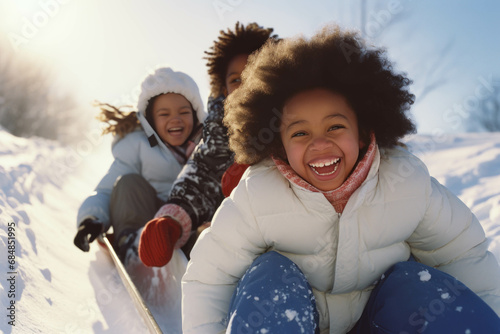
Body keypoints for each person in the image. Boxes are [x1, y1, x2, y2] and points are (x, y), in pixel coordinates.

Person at [181, 25, 500, 333]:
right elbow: (212, 276)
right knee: (269, 275)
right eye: (300, 132)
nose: (319, 144)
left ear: (361, 133)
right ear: (279, 144)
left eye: (335, 126)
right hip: (299, 318)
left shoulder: (405, 182)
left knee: (418, 283)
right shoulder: (259, 192)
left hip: (380, 317)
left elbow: (463, 256)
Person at [138, 22, 279, 267]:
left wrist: (255, 179)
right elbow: (199, 179)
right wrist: (171, 222)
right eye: (236, 79)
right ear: (223, 89)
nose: (245, 85)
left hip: (283, 239)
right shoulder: (218, 133)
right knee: (209, 239)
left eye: (255, 74)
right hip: (228, 238)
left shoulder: (292, 123)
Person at [73, 67, 206, 265]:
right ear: (150, 121)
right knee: (127, 184)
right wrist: (91, 219)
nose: (175, 119)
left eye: (184, 112)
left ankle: (199, 260)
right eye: (164, 114)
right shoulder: (137, 145)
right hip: (146, 220)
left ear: (196, 116)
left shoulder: (208, 149)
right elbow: (106, 191)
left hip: (183, 226)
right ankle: (133, 244)